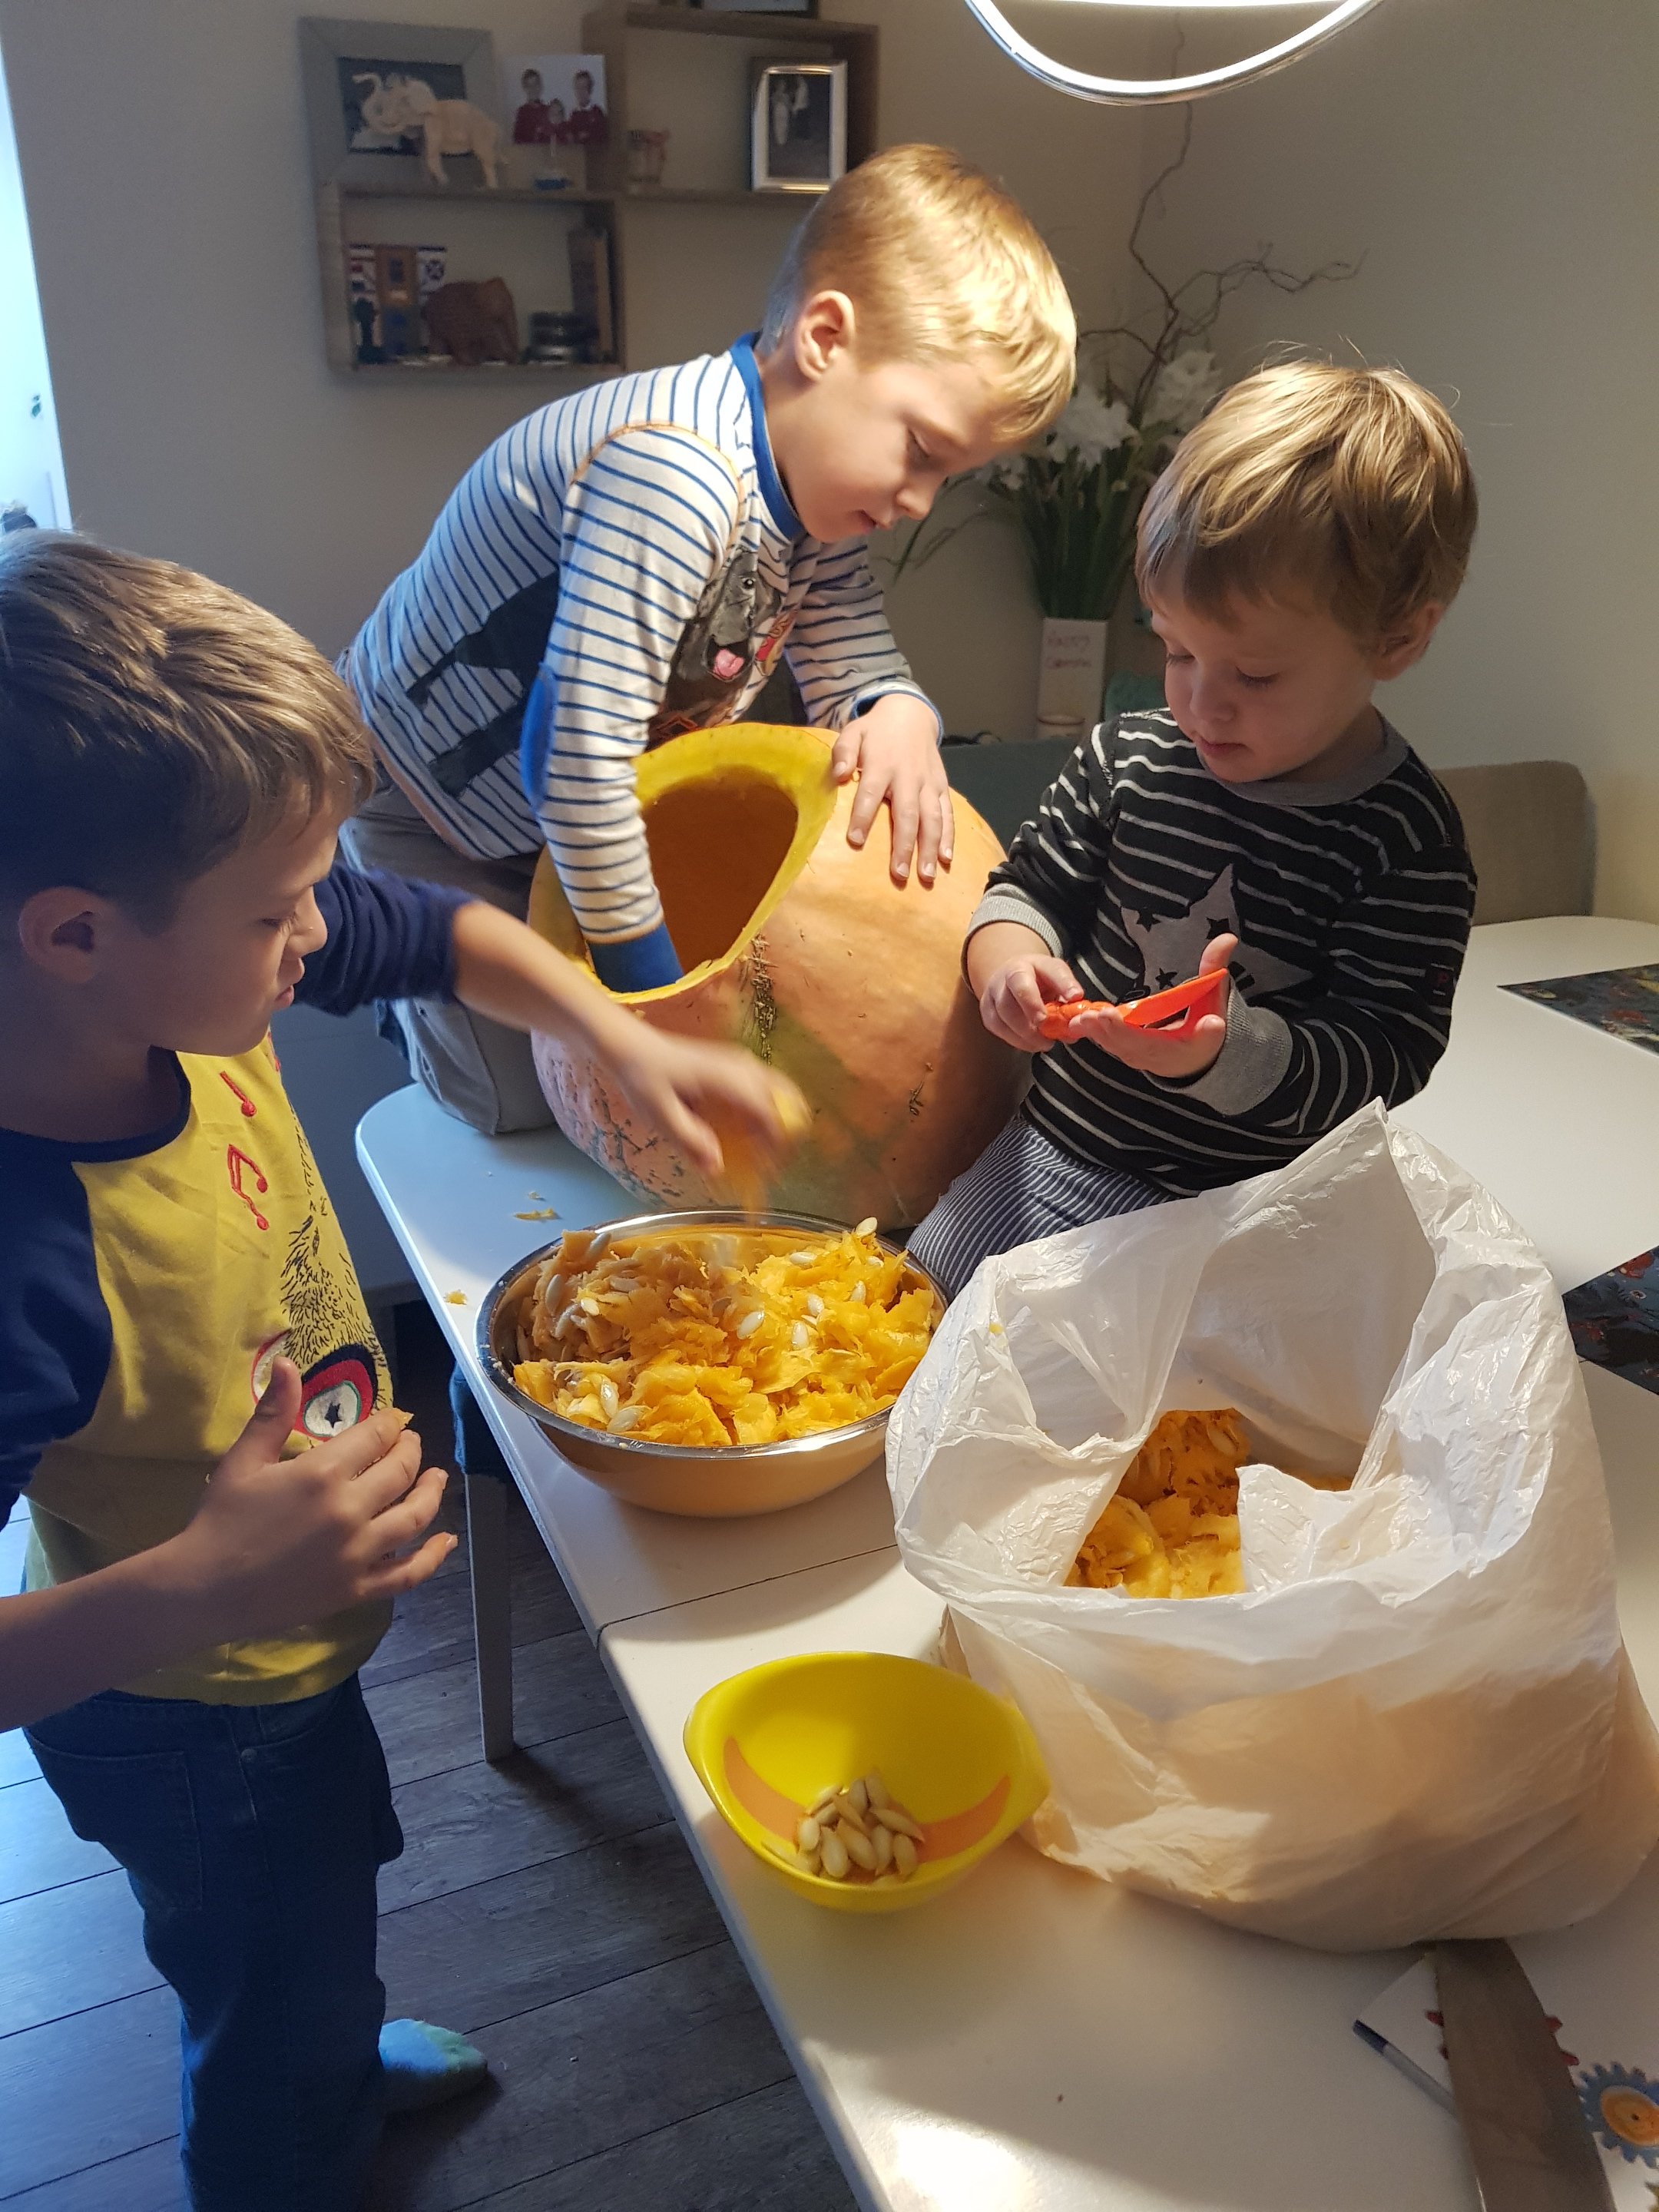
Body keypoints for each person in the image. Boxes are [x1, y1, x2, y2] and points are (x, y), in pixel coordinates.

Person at [0, 531, 802, 2212]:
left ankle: (334, 2054)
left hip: (282, 1641)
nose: (318, 931)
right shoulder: (28, 1264)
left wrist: (619, 1031)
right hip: (184, 1706)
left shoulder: (176, 991)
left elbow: (429, 929)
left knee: (317, 1914)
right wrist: (211, 1582)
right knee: (263, 1983)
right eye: (276, 908)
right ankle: (289, 2140)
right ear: (73, 934)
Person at [339, 142, 1076, 1136]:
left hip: (561, 814)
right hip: (430, 804)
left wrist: (896, 709)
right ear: (825, 339)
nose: (919, 502)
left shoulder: (812, 505)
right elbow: (573, 758)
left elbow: (847, 639)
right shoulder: (675, 479)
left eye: (951, 476)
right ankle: (404, 993)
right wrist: (651, 1006)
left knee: (604, 1069)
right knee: (520, 1103)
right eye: (920, 451)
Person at [909, 360, 1480, 1296]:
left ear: (1397, 639)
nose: (1200, 705)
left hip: (1251, 1216)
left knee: (1222, 1389)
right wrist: (1007, 964)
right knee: (926, 1305)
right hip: (1058, 1158)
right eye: (1175, 649)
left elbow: (1389, 1055)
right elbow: (1026, 889)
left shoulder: (1406, 839)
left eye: (1254, 675)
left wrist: (1227, 1054)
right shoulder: (1127, 759)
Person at [562, 65, 607, 147]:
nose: (581, 92)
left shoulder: (597, 113)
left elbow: (602, 139)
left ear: (590, 89)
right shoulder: (573, 115)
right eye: (578, 88)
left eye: (584, 88)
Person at [511, 65, 555, 145]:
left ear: (541, 86)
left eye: (535, 84)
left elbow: (555, 136)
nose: (533, 89)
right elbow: (517, 140)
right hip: (528, 152)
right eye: (529, 86)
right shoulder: (522, 112)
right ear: (525, 88)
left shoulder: (549, 111)